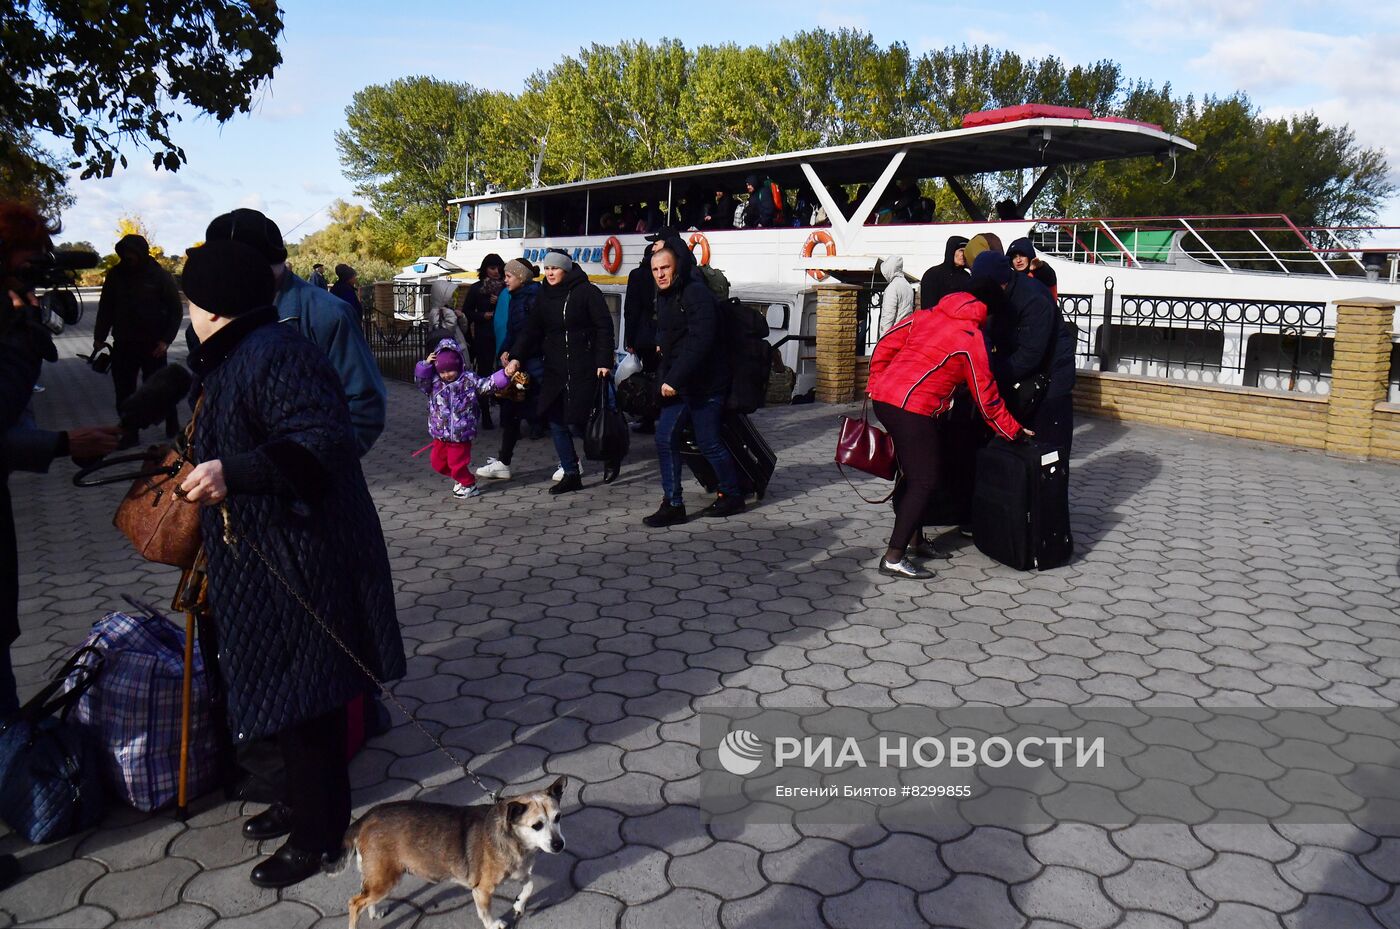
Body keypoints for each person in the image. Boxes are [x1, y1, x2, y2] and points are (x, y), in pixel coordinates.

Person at [176, 238, 405, 889]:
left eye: (190, 301)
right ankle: (297, 800)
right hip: (264, 556)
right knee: (284, 694)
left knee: (312, 702)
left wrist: (235, 471)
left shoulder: (277, 352)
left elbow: (322, 439)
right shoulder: (235, 353)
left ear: (213, 306)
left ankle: (321, 833)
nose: (187, 312)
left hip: (301, 559)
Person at [867, 262, 1028, 579]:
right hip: (912, 408)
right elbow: (986, 396)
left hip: (886, 399)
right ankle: (894, 556)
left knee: (913, 473)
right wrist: (1014, 430)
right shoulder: (971, 337)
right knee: (925, 479)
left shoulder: (924, 316)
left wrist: (875, 382)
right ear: (988, 309)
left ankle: (914, 540)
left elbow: (885, 345)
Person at [202, 209, 386, 455]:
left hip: (302, 484)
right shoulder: (218, 309)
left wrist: (306, 469)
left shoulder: (329, 314)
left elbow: (364, 406)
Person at [643, 244, 744, 527]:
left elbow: (701, 341)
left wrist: (675, 379)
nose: (660, 274)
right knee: (665, 438)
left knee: (708, 442)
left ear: (677, 267)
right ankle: (673, 503)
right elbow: (674, 337)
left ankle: (732, 493)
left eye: (665, 268)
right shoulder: (664, 296)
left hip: (706, 382)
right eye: (655, 270)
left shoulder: (696, 293)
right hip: (680, 382)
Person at [503, 251, 616, 492]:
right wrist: (516, 357)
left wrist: (603, 360)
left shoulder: (587, 292)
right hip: (554, 366)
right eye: (547, 269)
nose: (550, 273)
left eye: (555, 268)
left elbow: (604, 327)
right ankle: (571, 472)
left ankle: (609, 453)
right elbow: (531, 330)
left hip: (584, 365)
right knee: (555, 419)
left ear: (566, 269)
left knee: (581, 420)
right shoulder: (544, 295)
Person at [978, 250, 1075, 455]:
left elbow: (1030, 355)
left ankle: (1047, 482)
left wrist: (988, 375)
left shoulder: (1033, 298)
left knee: (1048, 449)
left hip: (1052, 380)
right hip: (1027, 379)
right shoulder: (999, 297)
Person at [93, 233, 184, 447]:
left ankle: (172, 421)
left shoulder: (159, 276)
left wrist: (166, 340)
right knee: (124, 391)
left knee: (159, 389)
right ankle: (130, 432)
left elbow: (176, 310)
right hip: (123, 343)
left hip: (154, 345)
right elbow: (105, 307)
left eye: (132, 252)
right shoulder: (116, 275)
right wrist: (99, 336)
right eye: (125, 253)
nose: (129, 257)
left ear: (141, 253)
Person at [414, 339, 505, 499]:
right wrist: (425, 365)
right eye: (442, 372)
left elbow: (487, 385)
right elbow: (421, 383)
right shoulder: (434, 382)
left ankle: (468, 484)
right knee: (437, 463)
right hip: (440, 433)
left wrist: (505, 375)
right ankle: (461, 479)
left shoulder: (468, 379)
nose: (446, 375)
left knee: (457, 464)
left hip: (461, 433)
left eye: (450, 371)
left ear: (458, 366)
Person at [478, 259, 542, 481]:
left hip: (533, 363)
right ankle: (503, 461)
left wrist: (515, 355)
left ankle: (571, 462)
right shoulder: (516, 298)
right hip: (520, 362)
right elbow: (514, 332)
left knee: (547, 411)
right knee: (512, 412)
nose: (505, 280)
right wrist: (506, 351)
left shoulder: (532, 299)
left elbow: (531, 334)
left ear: (521, 277)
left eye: (509, 276)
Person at [463, 255, 505, 430]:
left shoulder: (506, 286)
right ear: (485, 269)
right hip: (484, 337)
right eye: (492, 268)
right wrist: (482, 315)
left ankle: (506, 415)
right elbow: (467, 311)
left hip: (501, 336)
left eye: (498, 268)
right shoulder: (477, 288)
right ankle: (486, 414)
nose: (496, 272)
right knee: (485, 376)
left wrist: (499, 302)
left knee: (504, 376)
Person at [624, 242, 659, 434]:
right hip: (664, 334)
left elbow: (631, 309)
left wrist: (630, 340)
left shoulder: (637, 275)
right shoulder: (666, 273)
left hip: (645, 335)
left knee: (647, 377)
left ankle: (648, 418)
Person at [920, 235, 970, 309]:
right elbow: (928, 308)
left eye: (966, 251)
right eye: (961, 251)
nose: (963, 255)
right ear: (951, 251)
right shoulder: (933, 274)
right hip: (938, 319)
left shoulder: (966, 276)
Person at [878, 256, 914, 337]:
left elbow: (888, 315)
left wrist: (883, 337)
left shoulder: (892, 287)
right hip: (906, 330)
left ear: (889, 269)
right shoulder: (907, 285)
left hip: (894, 333)